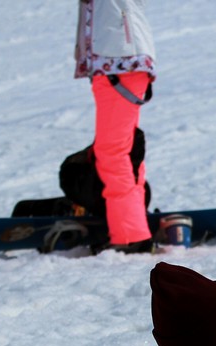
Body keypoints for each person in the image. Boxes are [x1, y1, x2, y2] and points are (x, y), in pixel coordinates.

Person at [74, 0, 156, 253]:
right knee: (118, 149)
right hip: (113, 62)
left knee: (113, 152)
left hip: (121, 61)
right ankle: (131, 227)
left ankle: (130, 235)